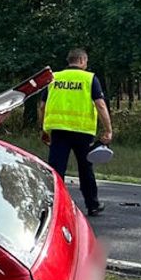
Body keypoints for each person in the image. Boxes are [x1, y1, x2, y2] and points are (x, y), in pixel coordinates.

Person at [39, 49, 114, 217]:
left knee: (56, 170)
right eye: (86, 62)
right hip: (82, 131)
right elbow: (100, 105)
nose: (86, 66)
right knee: (85, 169)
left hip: (58, 130)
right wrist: (108, 129)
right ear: (81, 60)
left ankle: (52, 206)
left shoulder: (54, 78)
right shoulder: (89, 79)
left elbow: (42, 106)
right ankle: (92, 204)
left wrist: (44, 129)